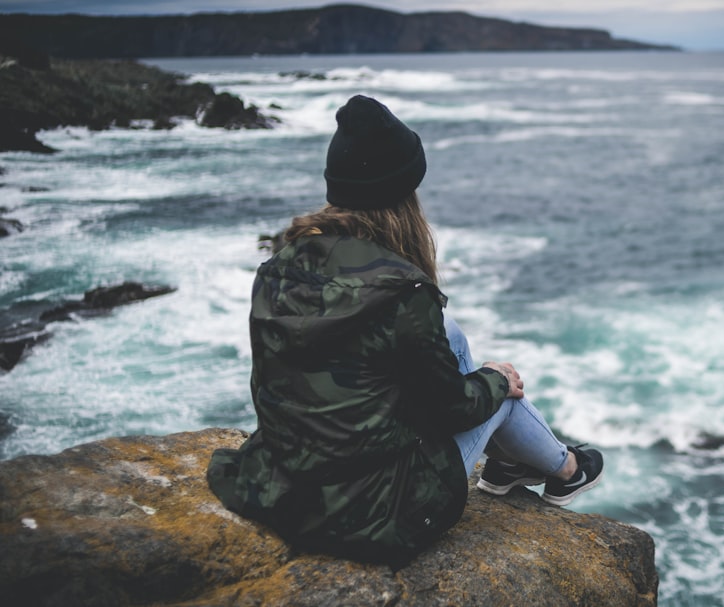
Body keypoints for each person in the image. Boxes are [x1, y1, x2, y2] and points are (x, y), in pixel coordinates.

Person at [206, 94, 604, 569]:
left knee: (449, 331)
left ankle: (514, 466)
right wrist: (496, 380)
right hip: (370, 511)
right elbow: (453, 408)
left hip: (283, 481)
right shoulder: (402, 292)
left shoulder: (278, 267)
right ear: (402, 193)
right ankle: (565, 468)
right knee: (500, 391)